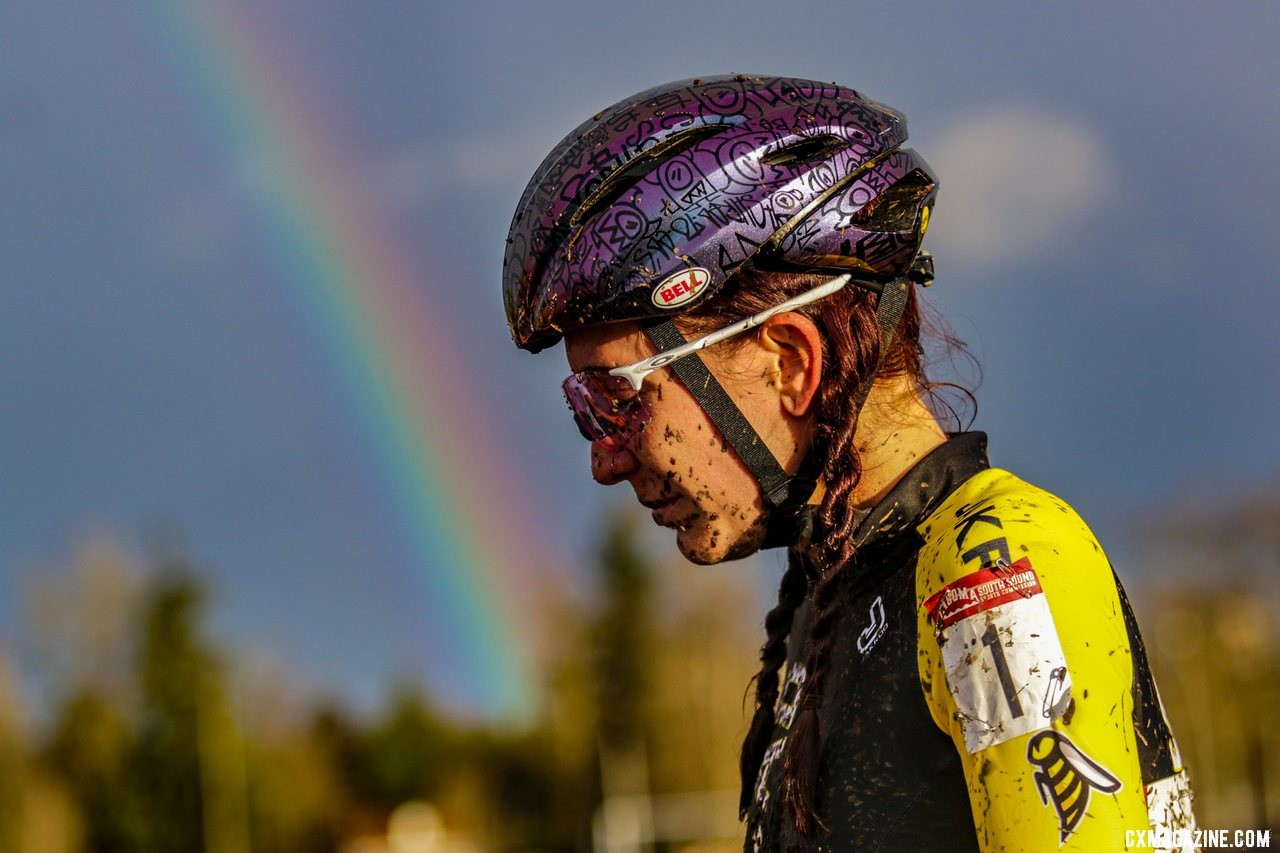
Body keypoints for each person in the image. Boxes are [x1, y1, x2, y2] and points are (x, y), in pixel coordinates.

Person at [503, 75, 1197, 851]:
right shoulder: (835, 592)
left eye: (617, 397)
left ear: (792, 363)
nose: (604, 456)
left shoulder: (993, 567)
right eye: (585, 408)